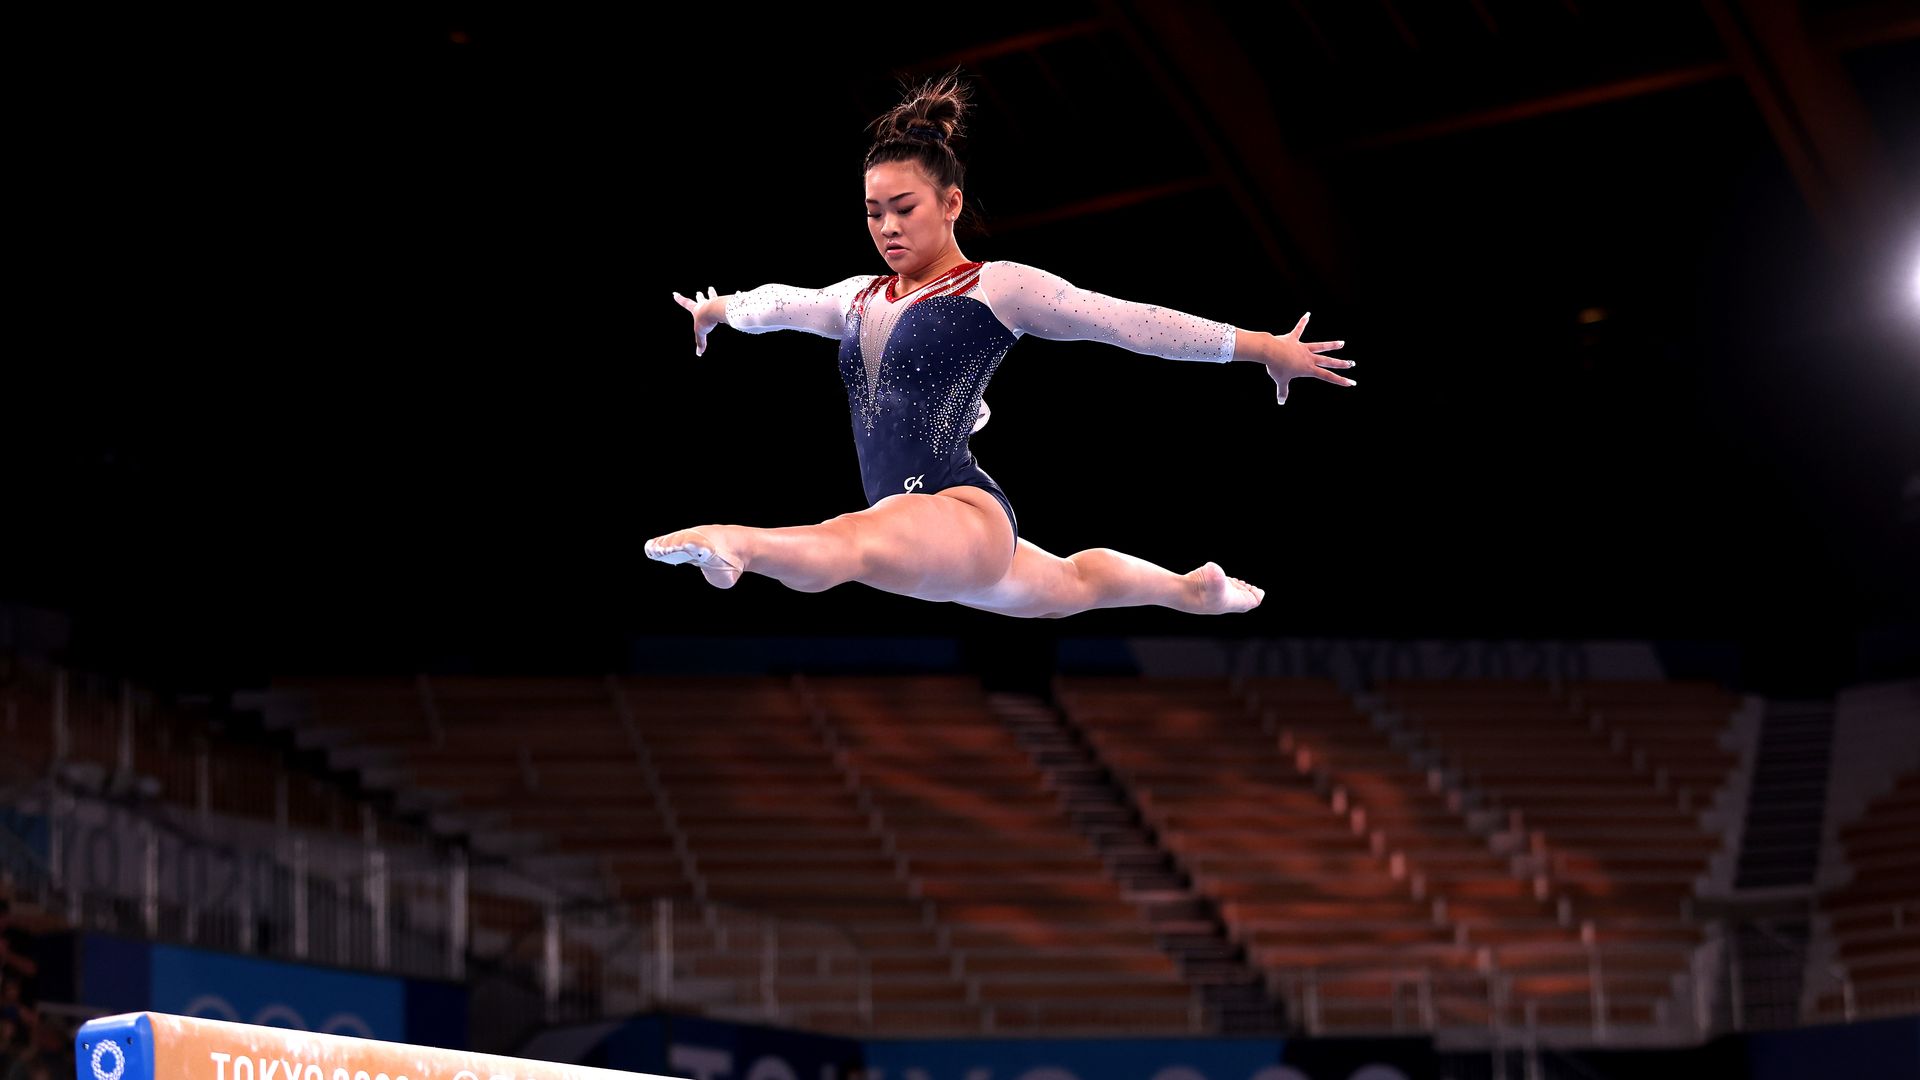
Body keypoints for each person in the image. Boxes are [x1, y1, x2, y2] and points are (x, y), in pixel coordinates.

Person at [649, 69, 1355, 618]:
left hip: (957, 512)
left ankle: (738, 543)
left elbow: (1122, 320)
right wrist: (721, 309)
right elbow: (780, 304)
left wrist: (1261, 345)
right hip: (929, 536)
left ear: (951, 203)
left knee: (853, 541)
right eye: (873, 213)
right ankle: (1187, 590)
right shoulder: (857, 298)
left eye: (904, 209)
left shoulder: (997, 289)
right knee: (1070, 584)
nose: (887, 228)